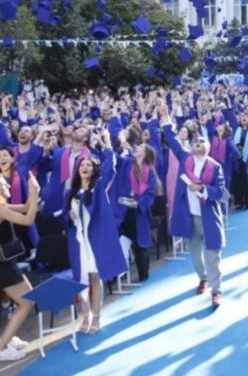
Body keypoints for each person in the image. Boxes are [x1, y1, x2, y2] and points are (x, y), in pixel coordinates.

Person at [162, 105, 228, 307]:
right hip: (188, 215)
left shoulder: (215, 166)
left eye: (201, 141)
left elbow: (220, 192)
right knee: (195, 253)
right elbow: (171, 138)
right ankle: (203, 278)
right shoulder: (184, 158)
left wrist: (201, 188)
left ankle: (216, 291)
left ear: (208, 148)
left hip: (208, 215)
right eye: (195, 141)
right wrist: (166, 117)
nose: (197, 142)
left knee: (213, 254)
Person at [0, 171, 40, 361]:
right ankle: (1, 348)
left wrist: (32, 190)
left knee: (26, 300)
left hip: (6, 263)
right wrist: (36, 192)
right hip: (3, 266)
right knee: (26, 302)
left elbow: (26, 207)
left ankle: (8, 338)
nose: (7, 186)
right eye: (2, 184)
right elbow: (29, 219)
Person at [66, 152, 127, 333]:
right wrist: (69, 216)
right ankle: (85, 316)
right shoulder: (72, 191)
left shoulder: (99, 186)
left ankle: (97, 317)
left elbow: (110, 167)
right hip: (78, 240)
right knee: (81, 278)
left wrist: (106, 143)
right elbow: (64, 213)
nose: (85, 167)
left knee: (94, 276)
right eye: (82, 165)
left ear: (94, 170)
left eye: (89, 165)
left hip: (95, 238)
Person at [117, 141, 158, 282]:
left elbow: (151, 192)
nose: (137, 147)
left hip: (140, 208)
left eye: (140, 147)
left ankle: (143, 273)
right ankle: (119, 274)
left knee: (140, 241)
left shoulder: (149, 171)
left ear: (145, 153)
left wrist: (139, 203)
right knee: (125, 237)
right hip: (126, 206)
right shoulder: (130, 164)